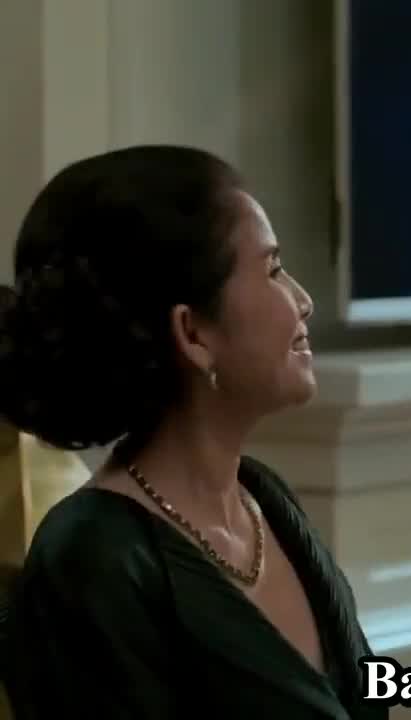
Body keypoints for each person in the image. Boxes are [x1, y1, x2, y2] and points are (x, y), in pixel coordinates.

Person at [0, 146, 385, 720]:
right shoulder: (94, 558)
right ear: (193, 333)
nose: (303, 301)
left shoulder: (266, 500)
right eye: (273, 269)